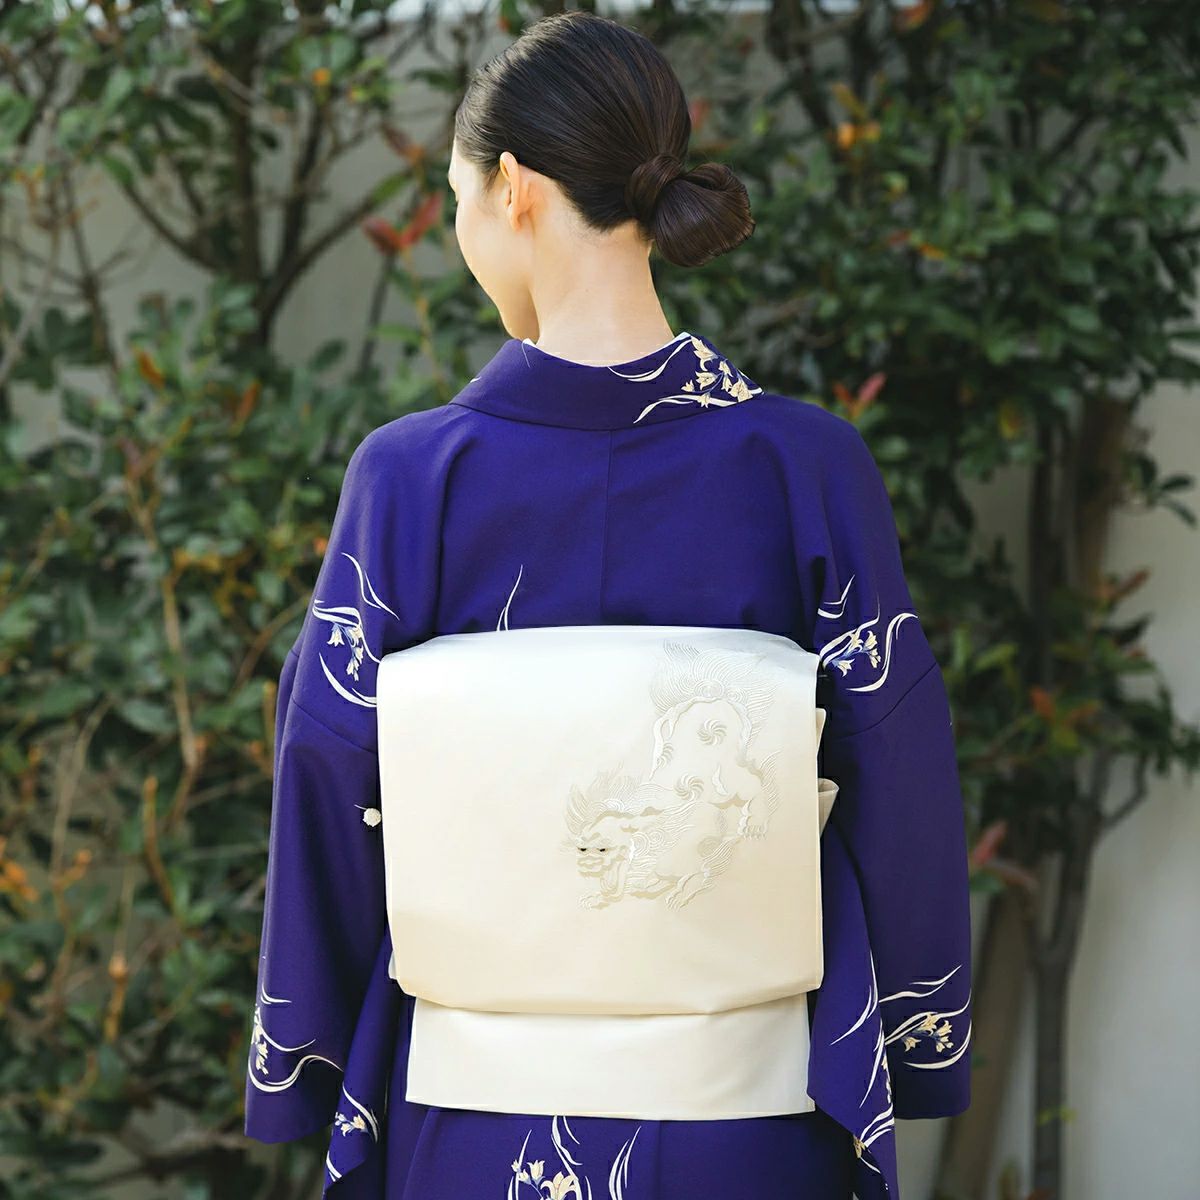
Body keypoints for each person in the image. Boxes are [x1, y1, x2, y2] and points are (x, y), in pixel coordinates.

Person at [243, 11, 973, 1199]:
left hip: (475, 1117)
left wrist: (306, 1061)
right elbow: (897, 766)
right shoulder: (804, 466)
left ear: (514, 189)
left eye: (461, 200)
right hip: (748, 1122)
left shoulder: (414, 477)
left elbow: (327, 762)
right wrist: (916, 1044)